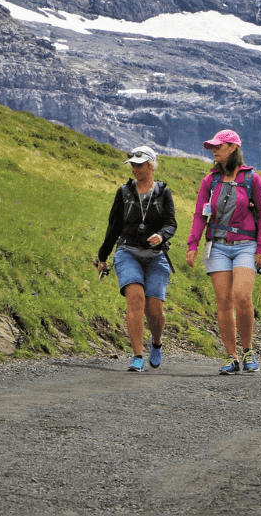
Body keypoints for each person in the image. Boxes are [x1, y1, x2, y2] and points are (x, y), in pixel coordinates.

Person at [186, 129, 261, 375]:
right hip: (217, 247)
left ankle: (248, 350)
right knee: (223, 302)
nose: (213, 150)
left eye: (218, 146)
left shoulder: (252, 178)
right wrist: (193, 245)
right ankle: (231, 357)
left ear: (232, 147)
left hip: (246, 245)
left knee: (241, 296)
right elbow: (199, 215)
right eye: (212, 147)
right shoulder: (208, 181)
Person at [97, 146, 177, 372]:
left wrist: (161, 236)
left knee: (155, 310)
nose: (134, 168)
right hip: (127, 252)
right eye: (132, 164)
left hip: (156, 257)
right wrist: (102, 257)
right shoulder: (123, 192)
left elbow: (171, 223)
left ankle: (157, 343)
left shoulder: (163, 193)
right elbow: (113, 227)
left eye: (139, 164)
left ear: (151, 166)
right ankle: (137, 356)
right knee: (135, 300)